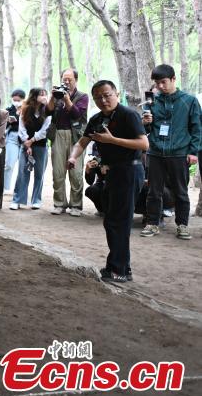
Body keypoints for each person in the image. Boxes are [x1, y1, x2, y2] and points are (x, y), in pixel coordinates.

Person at [68, 80, 148, 283]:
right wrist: (73, 157)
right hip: (111, 172)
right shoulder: (96, 119)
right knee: (112, 221)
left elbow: (144, 144)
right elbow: (82, 142)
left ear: (116, 94)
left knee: (118, 222)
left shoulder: (128, 115)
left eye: (107, 95)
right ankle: (121, 268)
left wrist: (112, 140)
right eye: (98, 97)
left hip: (129, 170)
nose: (103, 100)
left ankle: (118, 270)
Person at [139, 64, 201, 240]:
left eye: (163, 82)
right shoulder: (152, 102)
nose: (160, 86)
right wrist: (146, 122)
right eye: (157, 83)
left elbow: (197, 128)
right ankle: (152, 223)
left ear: (174, 79)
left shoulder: (189, 101)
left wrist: (193, 152)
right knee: (154, 191)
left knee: (181, 191)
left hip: (179, 153)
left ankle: (182, 225)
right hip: (155, 152)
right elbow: (146, 131)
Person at [47, 68, 89, 216]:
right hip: (58, 134)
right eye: (64, 79)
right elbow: (47, 111)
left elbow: (77, 114)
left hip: (75, 137)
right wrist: (52, 97)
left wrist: (67, 99)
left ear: (75, 80)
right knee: (58, 172)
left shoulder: (83, 96)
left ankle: (76, 205)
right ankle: (59, 204)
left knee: (76, 173)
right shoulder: (58, 95)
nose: (66, 82)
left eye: (69, 79)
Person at [10, 88, 51, 211]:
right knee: (22, 173)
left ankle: (36, 200)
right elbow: (21, 128)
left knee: (39, 174)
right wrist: (26, 143)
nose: (44, 97)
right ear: (34, 96)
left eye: (45, 94)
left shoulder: (48, 110)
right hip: (25, 145)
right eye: (41, 94)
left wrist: (32, 140)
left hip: (41, 145)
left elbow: (45, 130)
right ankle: (17, 200)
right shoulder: (25, 110)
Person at [3, 89, 26, 194]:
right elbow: (3, 125)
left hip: (25, 138)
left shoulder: (27, 109)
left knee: (23, 166)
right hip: (12, 137)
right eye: (14, 100)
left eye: (18, 100)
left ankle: (20, 189)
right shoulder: (9, 110)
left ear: (23, 99)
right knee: (9, 164)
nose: (16, 102)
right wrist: (8, 121)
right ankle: (5, 187)